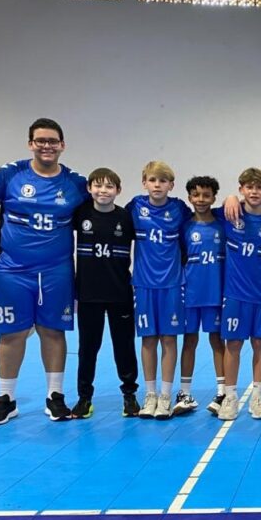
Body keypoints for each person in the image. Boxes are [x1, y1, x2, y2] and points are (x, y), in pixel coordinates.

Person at [0, 118, 88, 424]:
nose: (46, 146)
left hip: (57, 270)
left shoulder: (76, 183)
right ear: (30, 144)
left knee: (53, 330)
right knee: (12, 333)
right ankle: (6, 399)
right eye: (40, 141)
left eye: (52, 141)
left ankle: (55, 396)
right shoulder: (9, 174)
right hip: (13, 269)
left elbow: (102, 209)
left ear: (62, 145)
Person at [71, 168, 139, 419]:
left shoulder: (126, 218)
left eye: (109, 186)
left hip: (120, 293)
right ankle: (84, 398)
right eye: (98, 186)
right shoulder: (80, 214)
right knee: (88, 348)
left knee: (124, 346)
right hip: (89, 294)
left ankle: (129, 395)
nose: (103, 191)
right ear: (89, 189)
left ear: (118, 190)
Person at [127, 161, 192, 419]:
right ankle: (150, 394)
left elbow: (200, 223)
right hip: (143, 284)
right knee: (148, 340)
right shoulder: (135, 207)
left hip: (173, 284)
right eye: (152, 180)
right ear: (144, 182)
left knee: (169, 339)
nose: (157, 185)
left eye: (162, 181)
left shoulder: (179, 209)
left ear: (171, 185)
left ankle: (165, 395)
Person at [217, 168, 261, 421]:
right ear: (241, 189)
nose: (254, 192)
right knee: (233, 344)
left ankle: (257, 396)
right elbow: (203, 210)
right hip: (234, 293)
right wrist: (229, 198)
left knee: (260, 343)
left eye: (259, 187)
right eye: (249, 187)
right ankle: (230, 396)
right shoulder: (229, 214)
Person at [176, 176, 226, 417]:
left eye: (207, 195)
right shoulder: (184, 226)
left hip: (215, 293)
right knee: (189, 341)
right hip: (191, 293)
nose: (201, 199)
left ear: (214, 197)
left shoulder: (222, 224)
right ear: (189, 198)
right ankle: (184, 393)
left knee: (217, 341)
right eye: (196, 195)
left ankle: (222, 392)